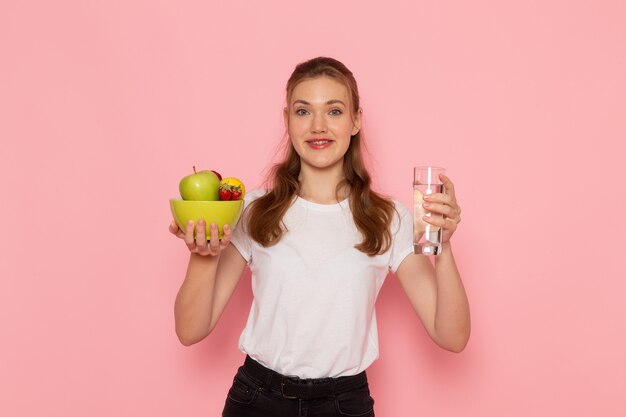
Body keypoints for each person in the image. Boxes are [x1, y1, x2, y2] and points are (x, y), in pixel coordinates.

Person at [168, 56, 470, 417]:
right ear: (287, 121)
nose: (318, 126)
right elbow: (190, 330)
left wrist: (444, 246)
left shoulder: (388, 218)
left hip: (344, 404)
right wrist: (204, 251)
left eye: (335, 111)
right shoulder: (253, 210)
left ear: (356, 120)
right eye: (302, 111)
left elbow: (452, 336)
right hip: (258, 400)